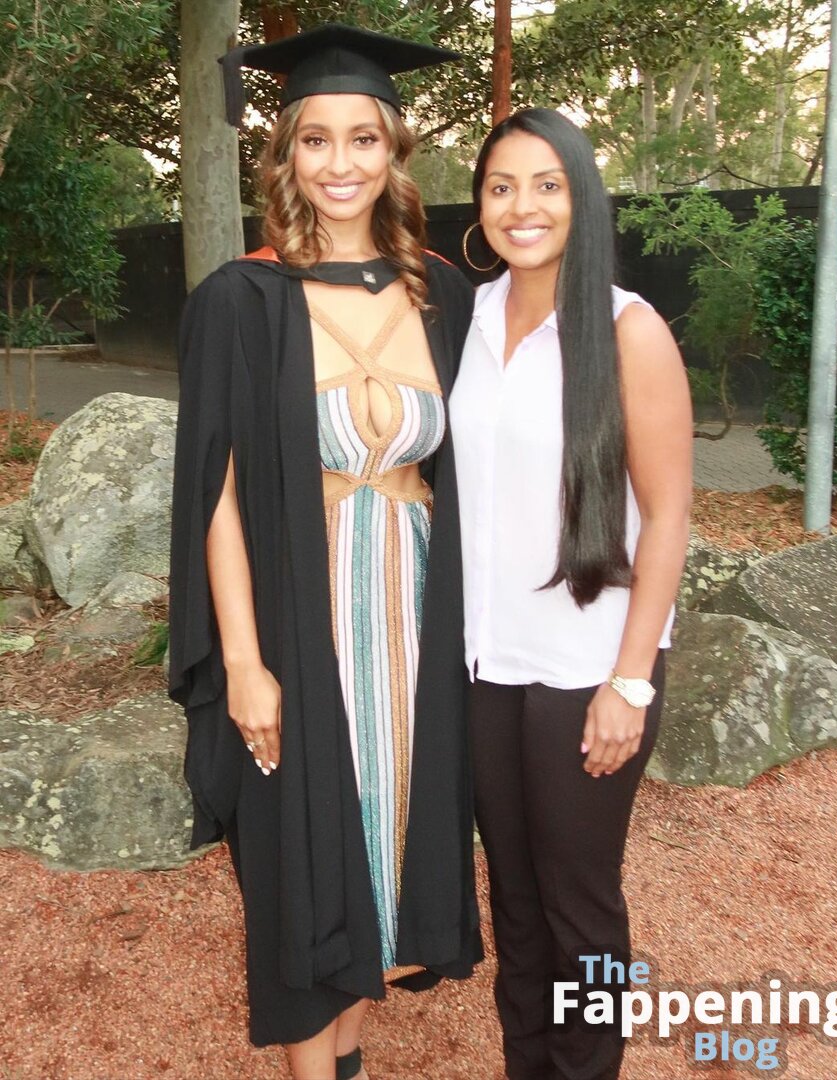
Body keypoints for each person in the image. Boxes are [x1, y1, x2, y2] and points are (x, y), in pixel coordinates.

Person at [168, 25, 481, 1080]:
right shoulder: (240, 301)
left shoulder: (442, 294)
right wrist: (243, 662)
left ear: (394, 151)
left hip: (416, 618)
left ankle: (346, 1062)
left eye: (362, 138)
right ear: (286, 155)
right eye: (315, 140)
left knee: (380, 851)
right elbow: (213, 497)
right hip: (302, 618)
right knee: (299, 860)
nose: (339, 163)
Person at [450, 109, 693, 1080]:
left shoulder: (629, 330)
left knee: (579, 905)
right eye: (501, 185)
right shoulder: (464, 320)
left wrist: (629, 683)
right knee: (514, 903)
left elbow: (667, 516)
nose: (524, 206)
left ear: (582, 197)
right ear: (479, 204)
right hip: (485, 664)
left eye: (548, 184)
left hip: (587, 667)